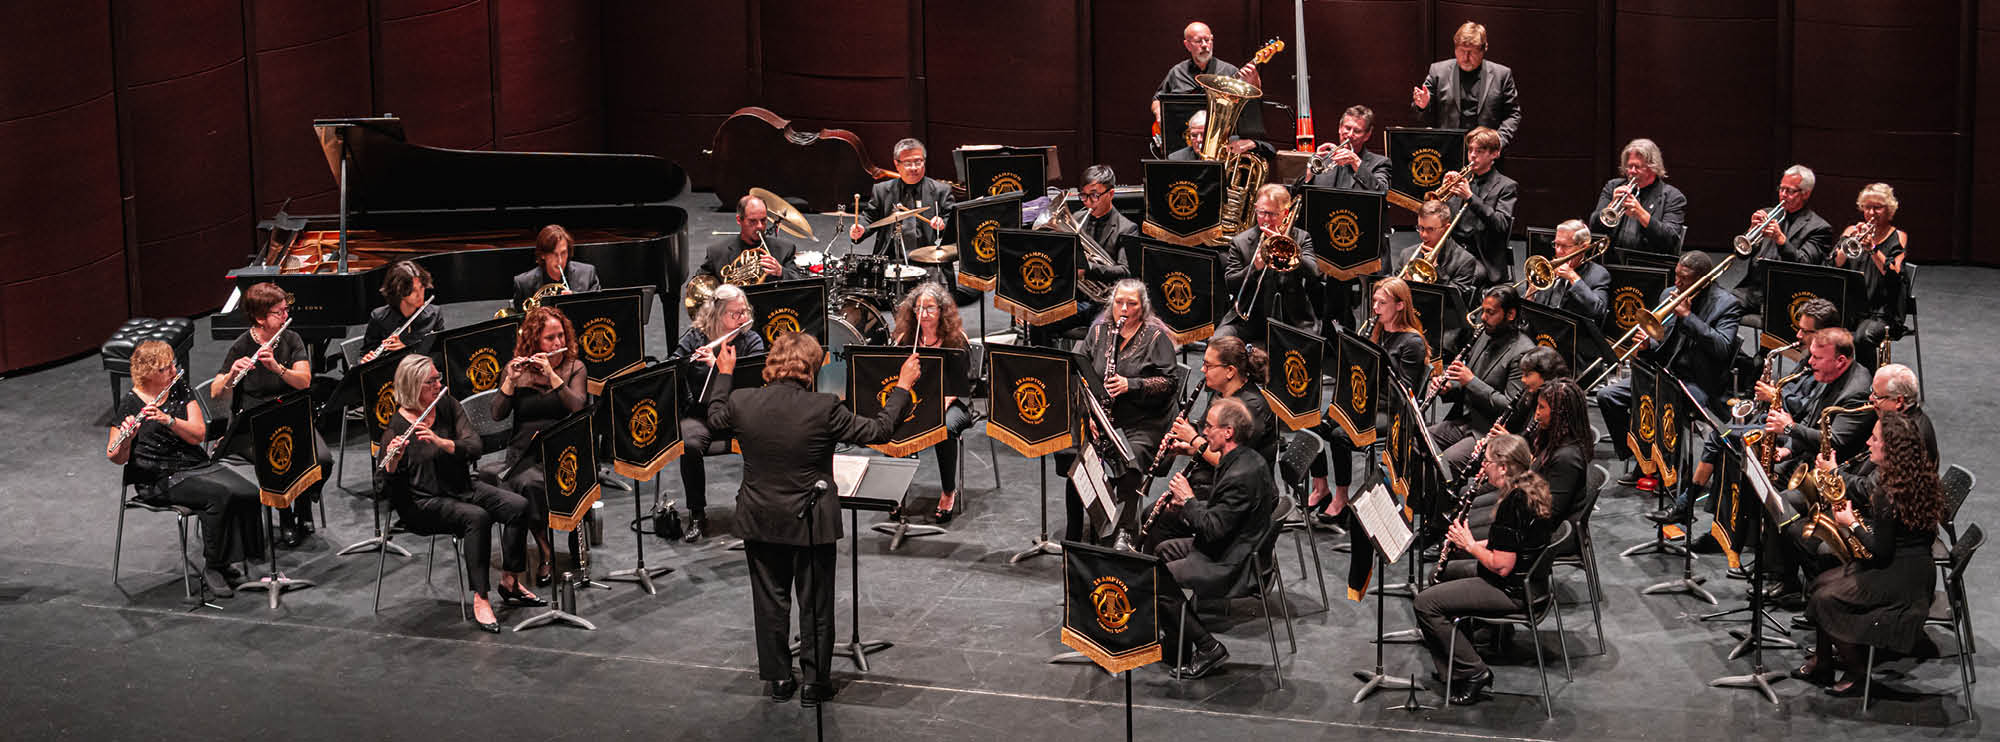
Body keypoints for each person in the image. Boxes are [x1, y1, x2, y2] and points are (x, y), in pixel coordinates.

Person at [704, 331, 921, 707]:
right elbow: (879, 430)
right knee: (815, 605)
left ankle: (779, 679)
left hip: (760, 517)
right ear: (811, 369)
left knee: (769, 603)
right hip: (810, 520)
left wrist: (725, 371)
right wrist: (902, 385)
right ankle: (814, 684)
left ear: (772, 365)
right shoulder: (824, 408)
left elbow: (713, 416)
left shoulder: (742, 401)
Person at [378, 355, 539, 633]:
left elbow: (474, 445)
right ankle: (481, 597)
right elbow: (385, 490)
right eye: (432, 381)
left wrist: (444, 443)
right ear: (413, 386)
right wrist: (393, 463)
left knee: (518, 505)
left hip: (461, 486)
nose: (439, 384)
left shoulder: (448, 406)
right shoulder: (396, 429)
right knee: (477, 518)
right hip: (423, 503)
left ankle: (510, 581)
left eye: (438, 377)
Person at [1792, 411, 1945, 696]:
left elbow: (1879, 553)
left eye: (1874, 439)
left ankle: (1857, 671)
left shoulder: (1888, 494)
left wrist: (1851, 525)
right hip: (1914, 566)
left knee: (1826, 598)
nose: (1867, 442)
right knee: (1821, 583)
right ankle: (1823, 661)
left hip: (1902, 578)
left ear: (1891, 449)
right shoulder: (1912, 475)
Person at [109, 340, 263, 598]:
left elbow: (198, 434)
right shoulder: (131, 404)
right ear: (146, 374)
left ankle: (242, 560)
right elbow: (115, 456)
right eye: (164, 368)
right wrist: (127, 437)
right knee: (218, 496)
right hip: (158, 477)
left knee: (248, 492)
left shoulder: (179, 387)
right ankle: (214, 566)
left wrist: (169, 420)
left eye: (172, 365)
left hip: (195, 464)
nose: (172, 371)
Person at [1412, 433, 1557, 705]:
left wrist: (1469, 544)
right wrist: (1472, 545)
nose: (1483, 466)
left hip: (1512, 591)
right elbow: (1511, 542)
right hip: (1531, 582)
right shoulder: (1531, 485)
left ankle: (1474, 672)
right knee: (1440, 576)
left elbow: (1502, 566)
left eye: (1487, 461)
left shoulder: (1514, 503)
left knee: (1425, 603)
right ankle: (1455, 666)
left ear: (1503, 466)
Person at [1152, 397, 1278, 679]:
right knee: (1160, 552)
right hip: (1229, 546)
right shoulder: (1244, 459)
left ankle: (1208, 647)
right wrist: (1186, 507)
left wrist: (1188, 501)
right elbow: (1226, 515)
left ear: (1228, 432)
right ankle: (1177, 647)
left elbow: (1211, 529)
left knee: (1156, 580)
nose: (1204, 432)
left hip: (1231, 562)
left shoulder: (1240, 474)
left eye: (1209, 427)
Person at [1597, 250, 1741, 486]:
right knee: (1608, 396)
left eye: (1684, 279)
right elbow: (1662, 340)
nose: (1676, 283)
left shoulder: (1727, 304)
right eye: (1676, 275)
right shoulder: (1669, 294)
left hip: (1698, 381)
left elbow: (1723, 348)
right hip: (1663, 373)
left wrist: (1688, 317)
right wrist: (1647, 346)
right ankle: (1643, 460)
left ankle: (1675, 471)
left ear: (1703, 279)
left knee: (1665, 404)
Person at [210, 281, 329, 548]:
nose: (285, 315)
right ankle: (285, 516)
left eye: (286, 309)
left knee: (323, 459)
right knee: (279, 461)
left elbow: (304, 381)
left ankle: (303, 506)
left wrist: (277, 368)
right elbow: (216, 391)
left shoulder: (291, 338)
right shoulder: (242, 345)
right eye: (279, 312)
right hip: (255, 421)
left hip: (291, 413)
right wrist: (232, 375)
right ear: (260, 318)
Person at [1063, 279, 1177, 547]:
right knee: (1076, 465)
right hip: (1102, 422)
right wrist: (1090, 415)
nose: (1124, 309)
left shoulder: (1155, 338)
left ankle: (1124, 531)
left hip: (1141, 424)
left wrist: (1131, 385)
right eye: (1119, 302)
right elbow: (1082, 376)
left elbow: (1169, 383)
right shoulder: (1099, 333)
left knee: (1130, 463)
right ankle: (1075, 534)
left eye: (1131, 304)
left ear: (1142, 307)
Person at [1307, 278, 1431, 520]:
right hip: (1366, 400)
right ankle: (1321, 487)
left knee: (1340, 435)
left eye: (1382, 303)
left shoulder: (1412, 342)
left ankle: (1341, 496)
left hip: (1392, 411)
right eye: (1374, 301)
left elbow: (1404, 391)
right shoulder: (1377, 331)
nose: (1374, 308)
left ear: (1399, 305)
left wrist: (1378, 366)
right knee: (1315, 423)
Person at [1145, 336, 1279, 554]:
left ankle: (1163, 579)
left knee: (1161, 521)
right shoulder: (1221, 394)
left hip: (1241, 496)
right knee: (1155, 514)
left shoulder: (1250, 408)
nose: (1202, 369)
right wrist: (1185, 448)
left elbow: (1229, 461)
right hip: (1217, 481)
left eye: (1208, 365)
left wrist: (1193, 439)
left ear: (1230, 371)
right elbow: (1213, 445)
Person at [484, 305, 583, 587]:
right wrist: (510, 383)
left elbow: (577, 407)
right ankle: (545, 550)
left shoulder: (575, 368)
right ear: (535, 342)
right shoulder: (516, 369)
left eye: (561, 336)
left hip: (562, 451)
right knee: (522, 483)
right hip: (522, 453)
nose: (558, 343)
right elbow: (496, 414)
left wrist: (553, 376)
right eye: (550, 338)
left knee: (533, 484)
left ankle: (551, 548)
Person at [673, 284, 768, 543]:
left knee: (766, 438)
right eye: (735, 314)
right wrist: (686, 364)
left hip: (737, 414)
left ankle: (752, 509)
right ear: (717, 314)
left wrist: (718, 366)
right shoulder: (696, 336)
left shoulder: (751, 340)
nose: (743, 319)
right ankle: (696, 513)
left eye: (744, 312)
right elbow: (672, 369)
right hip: (701, 414)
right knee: (690, 445)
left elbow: (752, 385)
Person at [889, 283, 975, 522]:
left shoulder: (955, 340)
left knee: (944, 428)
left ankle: (948, 491)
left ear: (942, 310)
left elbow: (961, 385)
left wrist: (939, 405)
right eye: (918, 308)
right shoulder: (907, 339)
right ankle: (896, 491)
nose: (923, 314)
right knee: (891, 422)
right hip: (918, 401)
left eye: (929, 308)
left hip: (952, 403)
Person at [1428, 286, 1534, 477]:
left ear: (1510, 314)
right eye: (1483, 311)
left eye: (1490, 312)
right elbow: (1470, 380)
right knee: (1419, 441)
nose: (1483, 318)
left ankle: (1447, 506)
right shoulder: (1485, 334)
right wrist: (1450, 387)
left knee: (1447, 462)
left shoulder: (1523, 353)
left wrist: (1470, 381)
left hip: (1490, 430)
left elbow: (1512, 408)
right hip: (1466, 418)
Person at [1468, 379, 1592, 533]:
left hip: (1539, 530)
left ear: (1560, 413)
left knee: (1470, 528)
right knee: (1470, 513)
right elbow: (1535, 472)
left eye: (1541, 408)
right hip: (1526, 507)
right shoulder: (1551, 438)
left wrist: (1511, 486)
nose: (1537, 414)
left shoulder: (1567, 457)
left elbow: (1549, 513)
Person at [1220, 183, 1321, 343]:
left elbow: (1314, 273)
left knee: (1307, 354)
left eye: (1273, 214)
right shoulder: (1241, 242)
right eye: (1262, 213)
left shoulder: (1301, 238)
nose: (1266, 219)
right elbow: (1231, 284)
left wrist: (1288, 249)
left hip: (1291, 319)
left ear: (1285, 213)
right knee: (1218, 343)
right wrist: (1254, 268)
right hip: (1248, 319)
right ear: (1255, 208)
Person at [1734, 165, 1835, 316]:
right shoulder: (1768, 214)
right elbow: (1741, 254)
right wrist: (1750, 232)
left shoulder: (1819, 228)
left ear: (1806, 194)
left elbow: (1805, 265)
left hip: (1787, 295)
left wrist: (1781, 240)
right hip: (1753, 290)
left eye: (1790, 191)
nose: (1783, 195)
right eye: (1781, 189)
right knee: (1718, 305)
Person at [1830, 183, 1909, 370]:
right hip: (1851, 306)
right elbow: (1834, 264)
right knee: (1817, 324)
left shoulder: (1898, 236)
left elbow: (1894, 276)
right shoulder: (1851, 231)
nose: (1871, 212)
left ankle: (1868, 386)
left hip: (1882, 310)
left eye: (1877, 207)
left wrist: (1872, 248)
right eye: (1867, 207)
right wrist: (1851, 242)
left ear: (1889, 210)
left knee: (1862, 337)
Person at [1410, 21, 1523, 147]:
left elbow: (1513, 114)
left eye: (1472, 52)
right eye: (1461, 51)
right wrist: (1422, 105)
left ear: (1484, 49)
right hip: (1447, 149)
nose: (1465, 57)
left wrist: (1498, 142)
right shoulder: (1438, 71)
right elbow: (1419, 114)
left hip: (1485, 154)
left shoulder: (1502, 75)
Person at [850, 138, 954, 257]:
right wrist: (860, 229)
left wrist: (942, 224)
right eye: (908, 163)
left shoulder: (942, 190)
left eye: (918, 161)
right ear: (897, 164)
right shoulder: (882, 190)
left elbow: (952, 224)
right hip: (891, 257)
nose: (914, 167)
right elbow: (869, 218)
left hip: (929, 257)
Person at [1152, 21, 1263, 133]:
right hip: (1183, 135)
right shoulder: (1177, 72)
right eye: (1198, 41)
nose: (1205, 45)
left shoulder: (1229, 71)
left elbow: (1250, 104)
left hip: (1219, 135)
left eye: (1208, 40)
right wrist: (1159, 115)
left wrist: (1255, 83)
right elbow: (1157, 99)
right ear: (1187, 45)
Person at [1443, 127, 1518, 287]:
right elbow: (1444, 220)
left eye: (1480, 151)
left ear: (1495, 154)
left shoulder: (1506, 186)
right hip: (1454, 251)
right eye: (1470, 150)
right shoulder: (1462, 180)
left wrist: (1470, 197)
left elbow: (1501, 224)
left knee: (1457, 280)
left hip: (1482, 257)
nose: (1473, 155)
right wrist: (1442, 198)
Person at [1591, 139, 1687, 259]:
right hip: (1609, 260)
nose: (1631, 171)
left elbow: (1670, 240)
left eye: (1637, 167)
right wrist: (1612, 204)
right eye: (1629, 166)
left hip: (1649, 264)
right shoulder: (1613, 187)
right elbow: (1593, 227)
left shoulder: (1672, 197)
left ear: (1653, 167)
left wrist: (1640, 213)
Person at [701, 194, 800, 285]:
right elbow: (700, 283)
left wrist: (780, 271)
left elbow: (799, 283)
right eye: (753, 221)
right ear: (739, 220)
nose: (760, 226)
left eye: (763, 220)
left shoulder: (785, 249)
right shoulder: (717, 252)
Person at [1528, 219, 1610, 325]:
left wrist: (1573, 278)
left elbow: (1598, 311)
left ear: (1583, 247)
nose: (1558, 251)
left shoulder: (1599, 274)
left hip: (1572, 335)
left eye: (1565, 246)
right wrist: (1531, 292)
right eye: (1556, 244)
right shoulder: (1548, 268)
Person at [362, 260, 444, 360]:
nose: (420, 295)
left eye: (421, 287)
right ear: (399, 291)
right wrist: (367, 362)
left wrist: (406, 352)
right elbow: (364, 353)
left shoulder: (434, 315)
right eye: (413, 290)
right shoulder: (379, 317)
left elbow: (440, 356)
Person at [1400, 199, 1481, 299]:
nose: (1423, 235)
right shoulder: (1406, 254)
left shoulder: (1465, 261)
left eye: (1430, 229)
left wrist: (1437, 271)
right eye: (1420, 228)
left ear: (1447, 228)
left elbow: (1455, 299)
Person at [512, 224, 601, 313]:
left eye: (563, 253)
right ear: (543, 255)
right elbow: (522, 323)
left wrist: (575, 300)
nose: (560, 260)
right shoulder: (524, 284)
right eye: (554, 254)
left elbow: (597, 310)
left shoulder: (588, 274)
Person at [1309, 106, 1392, 192]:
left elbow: (1382, 192)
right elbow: (1297, 191)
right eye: (1347, 128)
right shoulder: (1323, 158)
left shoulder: (1380, 163)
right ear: (1340, 128)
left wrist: (1356, 162)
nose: (1350, 134)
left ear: (1367, 135)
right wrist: (1310, 167)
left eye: (1357, 131)